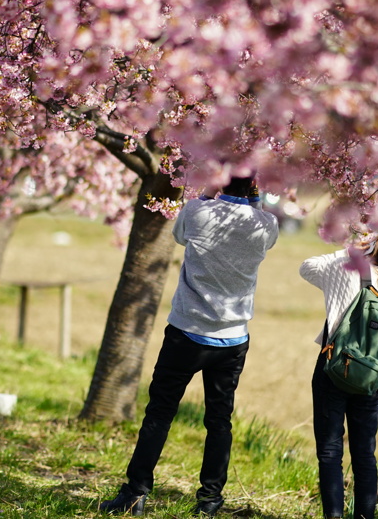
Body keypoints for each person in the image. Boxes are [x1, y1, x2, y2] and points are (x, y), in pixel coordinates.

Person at [100, 176, 279, 517]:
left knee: (160, 413)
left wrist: (209, 192)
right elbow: (264, 233)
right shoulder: (266, 223)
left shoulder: (197, 211)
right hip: (233, 339)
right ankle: (209, 500)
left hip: (186, 331)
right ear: (253, 185)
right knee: (219, 420)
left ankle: (135, 493)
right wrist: (253, 198)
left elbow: (180, 236)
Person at [299, 227, 378, 519]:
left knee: (330, 451)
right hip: (370, 380)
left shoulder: (345, 270)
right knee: (364, 455)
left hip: (333, 369)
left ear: (376, 246)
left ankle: (334, 516)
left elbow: (307, 267)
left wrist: (354, 252)